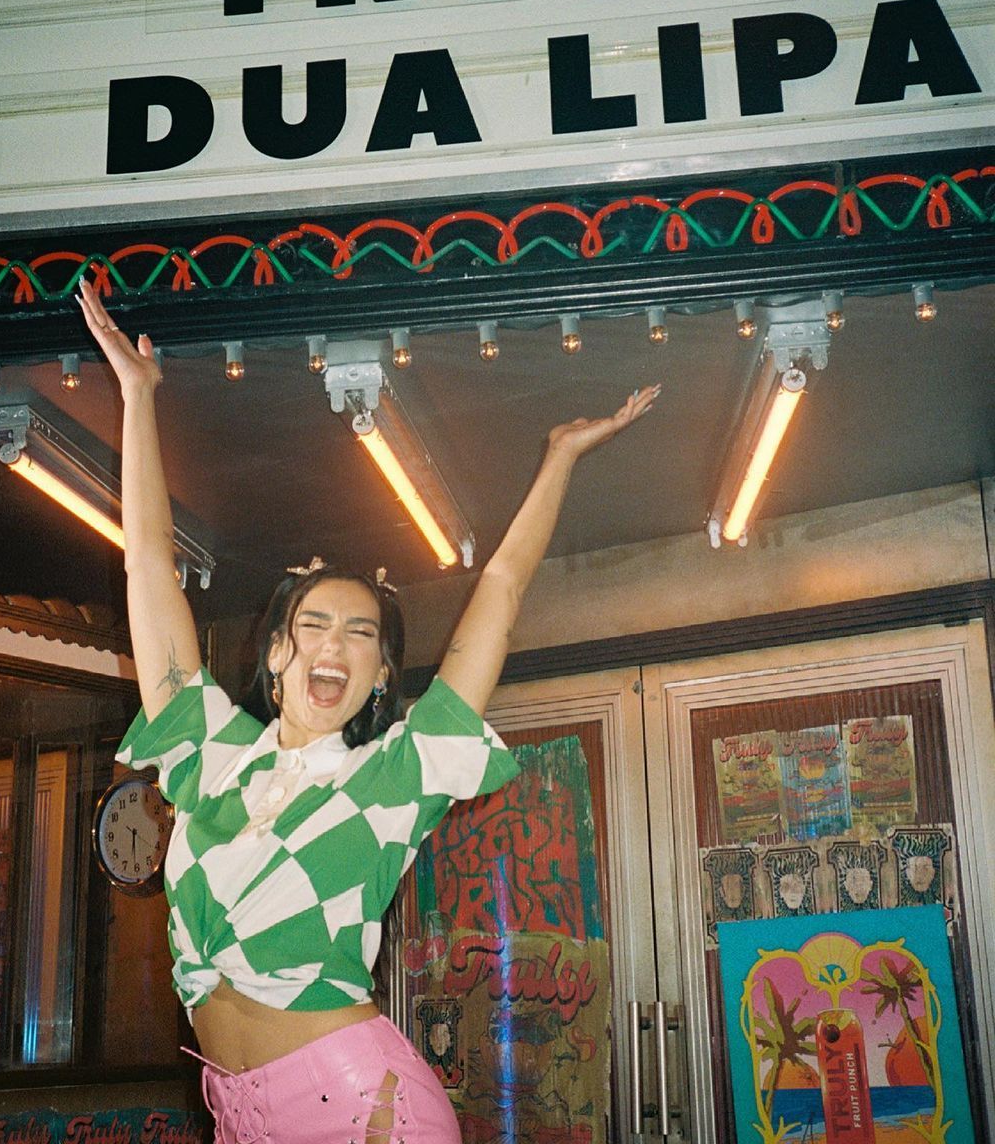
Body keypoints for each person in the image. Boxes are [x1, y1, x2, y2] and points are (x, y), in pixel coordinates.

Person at [78, 277, 659, 1144]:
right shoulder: (209, 753)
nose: (335, 645)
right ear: (277, 653)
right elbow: (148, 566)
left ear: (380, 675)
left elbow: (501, 588)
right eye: (314, 625)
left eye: (360, 634)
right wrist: (137, 397)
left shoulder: (390, 776)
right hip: (239, 1115)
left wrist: (559, 459)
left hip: (363, 1109)